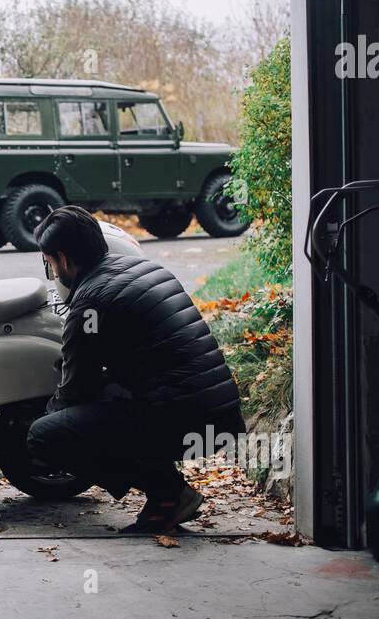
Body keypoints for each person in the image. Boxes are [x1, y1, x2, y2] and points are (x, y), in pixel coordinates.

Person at [27, 206, 246, 534]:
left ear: (64, 258)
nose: (54, 272)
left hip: (190, 420)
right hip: (220, 414)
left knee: (44, 436)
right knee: (106, 400)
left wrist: (44, 423)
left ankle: (168, 495)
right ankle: (170, 490)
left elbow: (75, 389)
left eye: (50, 263)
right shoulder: (141, 268)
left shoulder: (89, 303)